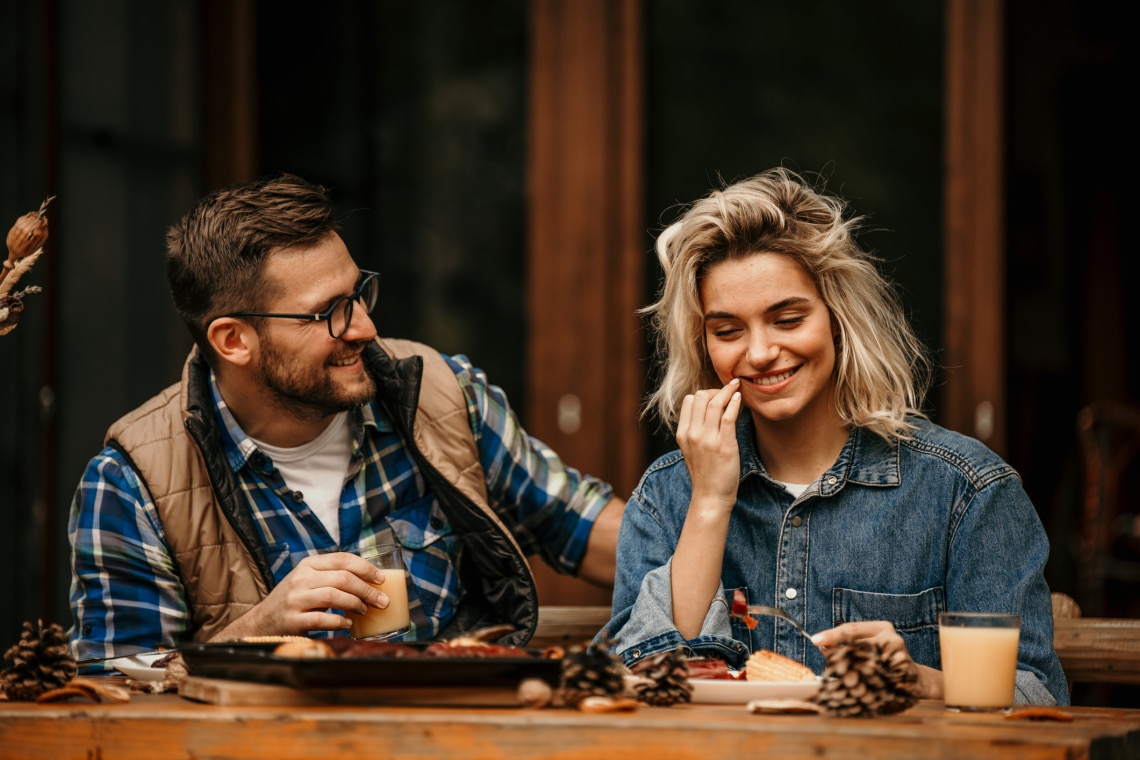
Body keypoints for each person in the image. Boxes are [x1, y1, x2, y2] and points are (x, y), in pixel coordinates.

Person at [68, 174, 623, 670]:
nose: (363, 326)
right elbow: (117, 691)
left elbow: (575, 523)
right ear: (233, 340)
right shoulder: (132, 483)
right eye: (329, 312)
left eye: (359, 294)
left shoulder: (439, 394)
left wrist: (705, 537)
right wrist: (259, 630)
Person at [604, 167, 1068, 705]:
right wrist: (710, 500)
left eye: (788, 318)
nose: (757, 353)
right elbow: (637, 691)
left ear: (838, 318)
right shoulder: (667, 496)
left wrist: (924, 682)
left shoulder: (965, 492)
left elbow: (1038, 696)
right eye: (727, 330)